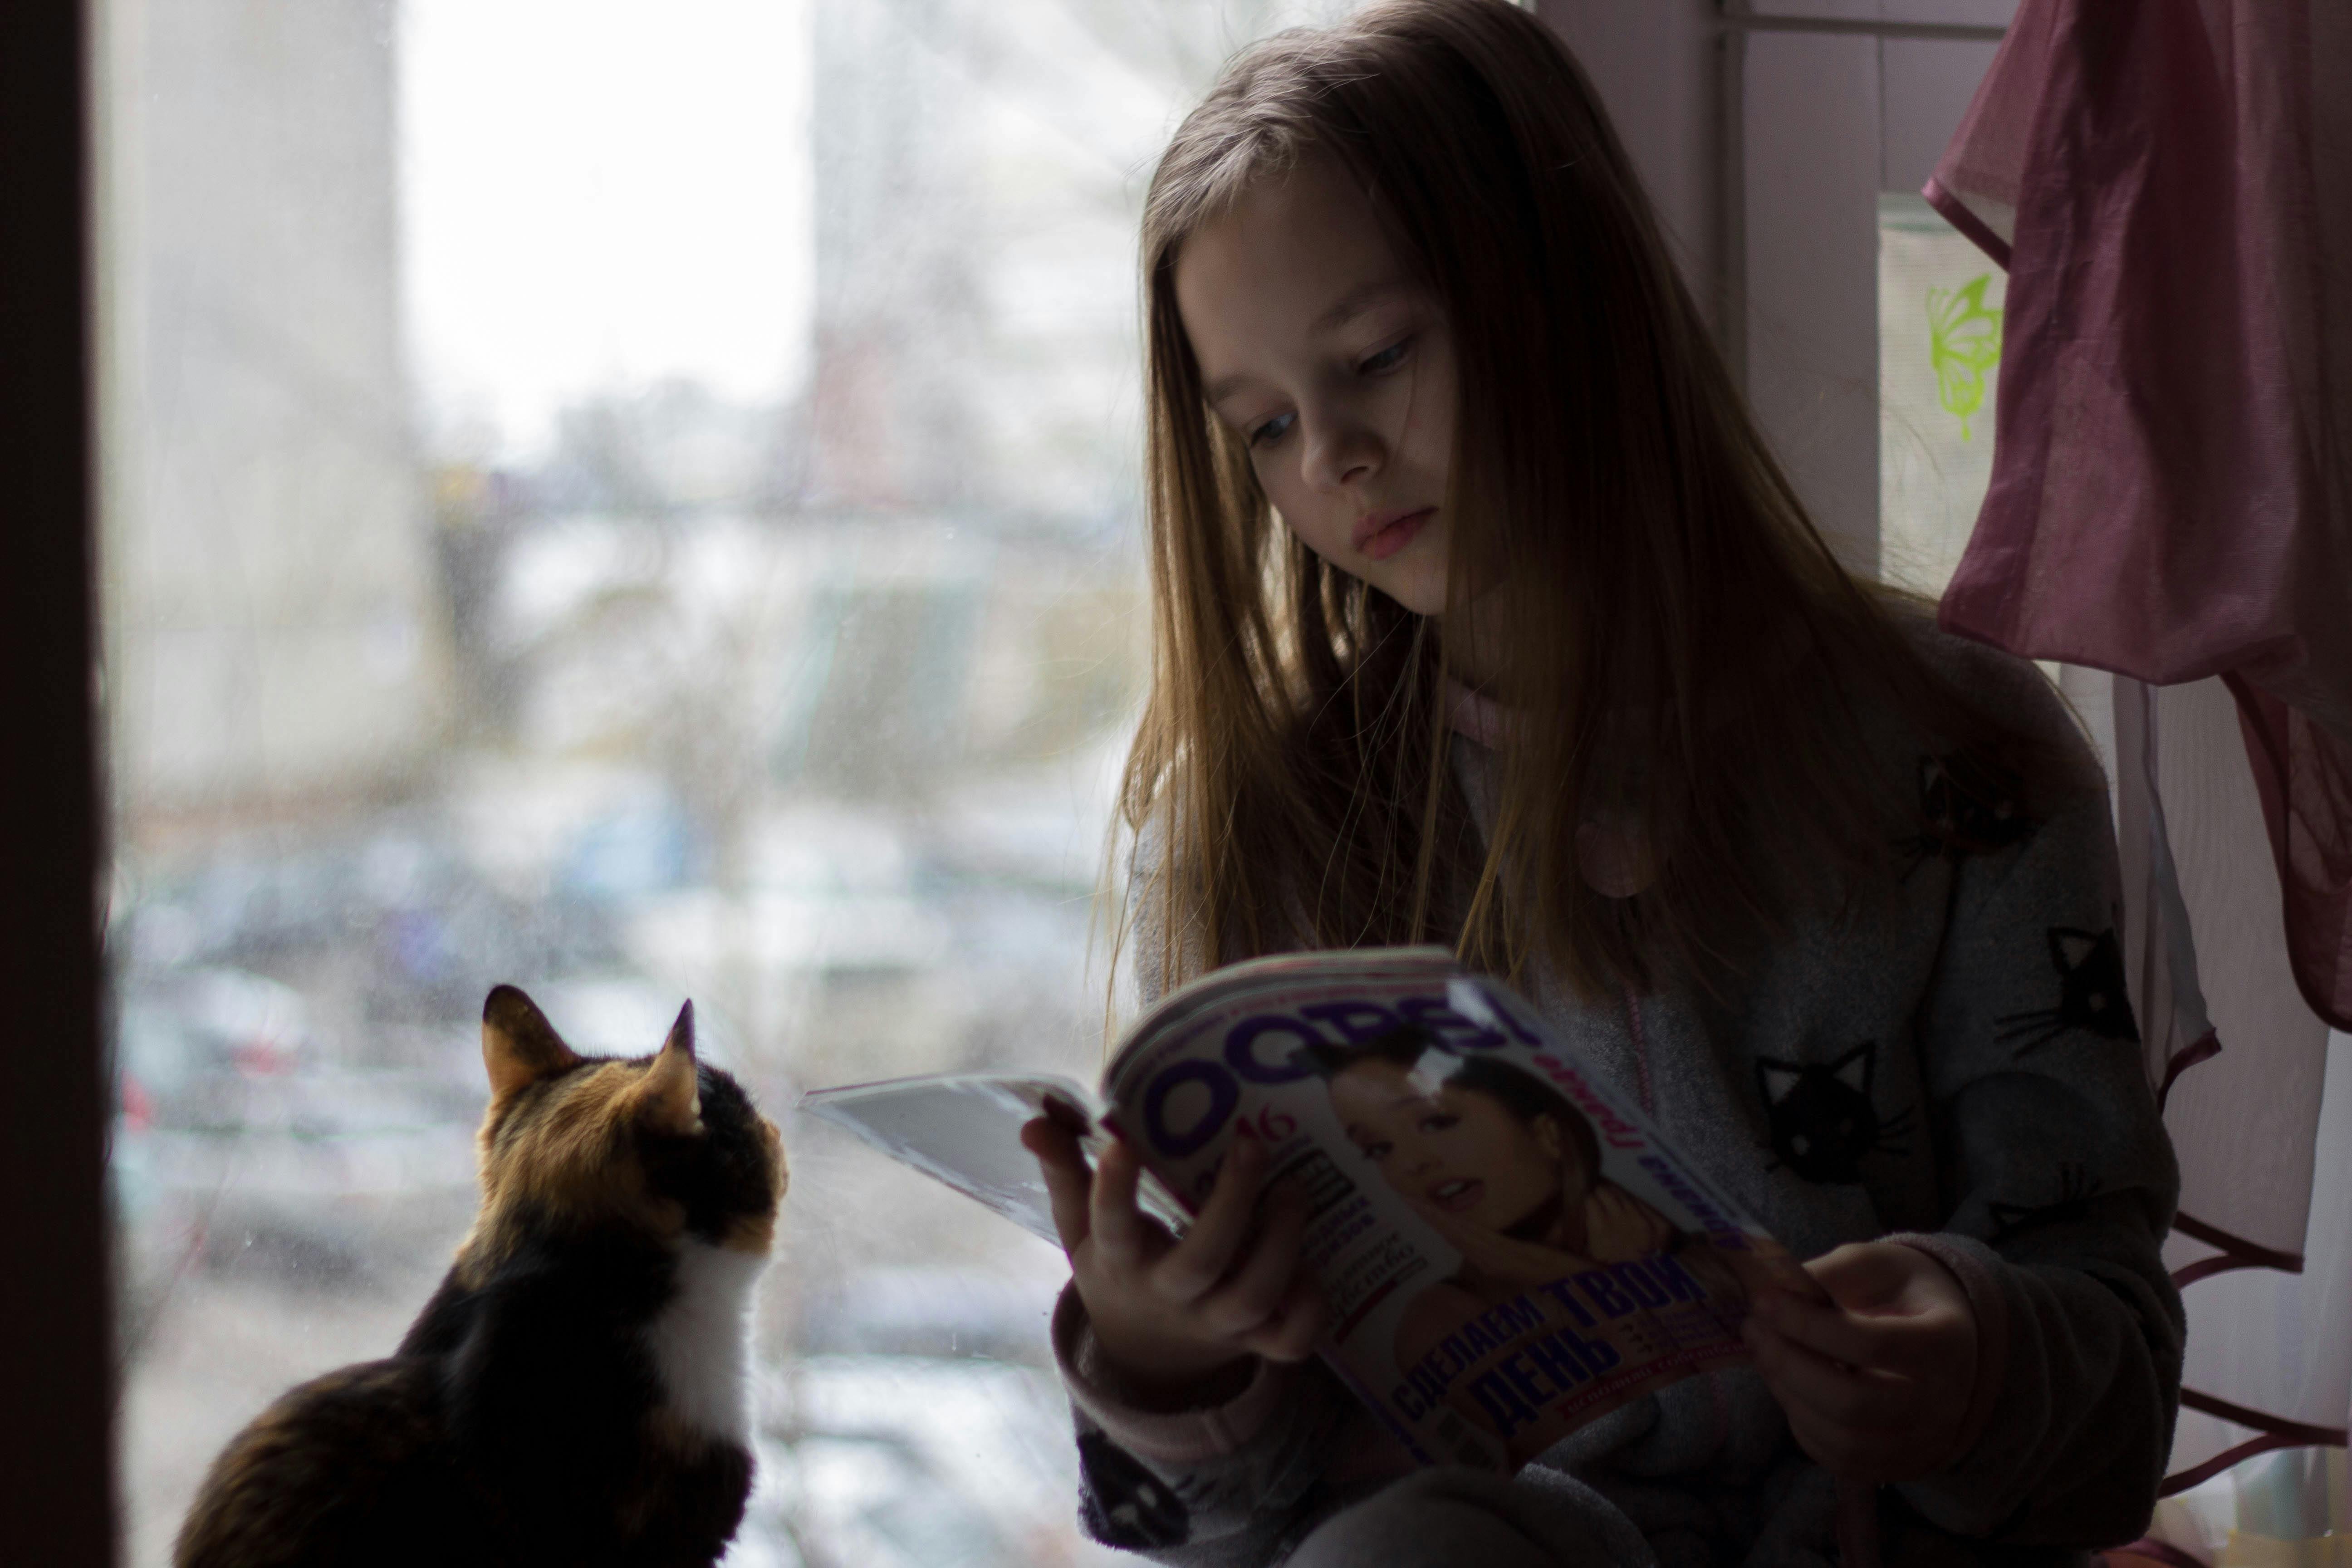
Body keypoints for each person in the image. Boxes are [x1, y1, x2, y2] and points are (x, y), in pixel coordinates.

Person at [1018, 2, 2184, 1563]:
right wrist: (1169, 1355)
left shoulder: (1965, 759)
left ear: (1562, 293)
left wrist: (1968, 1364)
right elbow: (1214, 1525)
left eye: (1375, 358)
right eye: (1269, 428)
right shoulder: (1256, 835)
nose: (1337, 459)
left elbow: (2110, 1367)